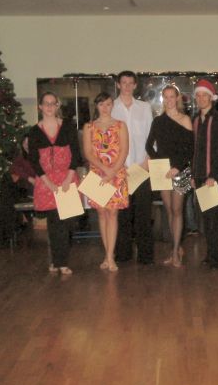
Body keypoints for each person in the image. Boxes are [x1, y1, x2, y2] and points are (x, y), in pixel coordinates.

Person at [27, 92, 82, 275]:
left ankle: (61, 261)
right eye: (46, 103)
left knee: (66, 223)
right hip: (46, 182)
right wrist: (48, 183)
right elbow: (34, 161)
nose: (49, 107)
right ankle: (57, 262)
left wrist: (68, 179)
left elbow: (76, 155)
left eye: (53, 103)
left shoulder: (68, 127)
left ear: (57, 105)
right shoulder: (34, 131)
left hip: (67, 179)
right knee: (53, 223)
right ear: (40, 107)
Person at [146, 84, 194, 267]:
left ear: (177, 98)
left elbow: (190, 149)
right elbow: (149, 145)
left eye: (172, 96)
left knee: (177, 210)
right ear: (162, 99)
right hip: (163, 173)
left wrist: (177, 167)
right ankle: (176, 247)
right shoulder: (158, 121)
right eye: (165, 97)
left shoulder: (185, 119)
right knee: (169, 212)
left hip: (181, 170)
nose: (169, 100)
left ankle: (175, 253)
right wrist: (159, 164)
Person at [111, 71, 155, 265]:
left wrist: (147, 161)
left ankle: (146, 256)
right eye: (124, 82)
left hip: (142, 168)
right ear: (118, 85)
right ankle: (123, 254)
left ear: (135, 85)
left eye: (131, 83)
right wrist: (117, 165)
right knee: (122, 214)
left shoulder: (144, 108)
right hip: (119, 170)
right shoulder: (111, 107)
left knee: (143, 214)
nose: (127, 86)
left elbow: (151, 136)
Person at [82, 92, 129, 272]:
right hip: (98, 173)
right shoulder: (89, 126)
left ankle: (110, 257)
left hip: (116, 172)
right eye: (101, 104)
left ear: (112, 105)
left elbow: (124, 151)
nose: (105, 108)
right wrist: (104, 170)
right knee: (101, 213)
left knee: (113, 213)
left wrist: (112, 171)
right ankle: (107, 254)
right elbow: (88, 153)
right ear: (96, 106)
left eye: (108, 104)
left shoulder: (120, 125)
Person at [191, 79, 218, 269]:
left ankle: (216, 257)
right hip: (199, 175)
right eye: (198, 95)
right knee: (205, 218)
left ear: (211, 97)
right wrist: (193, 174)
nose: (200, 98)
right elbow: (194, 150)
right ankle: (210, 253)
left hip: (212, 176)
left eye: (204, 95)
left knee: (213, 217)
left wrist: (213, 175)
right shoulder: (195, 120)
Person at [0, 134, 36, 247]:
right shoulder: (21, 157)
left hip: (32, 189)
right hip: (22, 188)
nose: (27, 145)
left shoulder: (38, 156)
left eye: (29, 143)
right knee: (8, 188)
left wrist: (29, 178)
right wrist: (28, 178)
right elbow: (14, 168)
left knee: (7, 191)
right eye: (24, 143)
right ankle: (7, 231)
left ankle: (4, 233)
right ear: (22, 144)